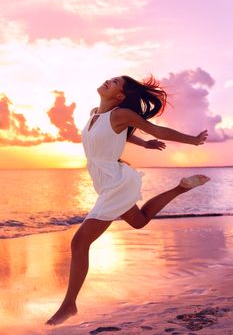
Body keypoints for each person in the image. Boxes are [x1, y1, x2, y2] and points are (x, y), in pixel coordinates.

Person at [46, 75, 210, 325]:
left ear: (121, 97)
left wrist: (193, 140)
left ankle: (69, 305)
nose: (107, 81)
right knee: (139, 220)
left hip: (115, 181)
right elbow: (117, 135)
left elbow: (157, 129)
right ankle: (180, 188)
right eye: (110, 79)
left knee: (79, 243)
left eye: (114, 83)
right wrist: (144, 145)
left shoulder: (122, 114)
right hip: (104, 181)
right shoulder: (95, 113)